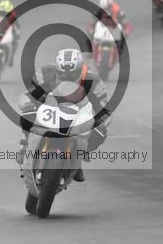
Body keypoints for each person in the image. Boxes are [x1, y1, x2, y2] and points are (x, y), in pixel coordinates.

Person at [16, 48, 111, 182]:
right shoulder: (45, 73)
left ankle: (79, 156)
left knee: (100, 131)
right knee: (28, 112)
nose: (67, 77)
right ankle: (26, 145)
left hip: (78, 115)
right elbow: (28, 96)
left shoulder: (93, 81)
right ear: (56, 69)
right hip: (48, 109)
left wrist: (101, 120)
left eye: (72, 74)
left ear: (81, 70)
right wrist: (28, 104)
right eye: (62, 74)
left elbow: (103, 107)